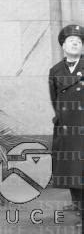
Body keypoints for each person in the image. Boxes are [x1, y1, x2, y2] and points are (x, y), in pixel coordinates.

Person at [49, 24, 84, 229]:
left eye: (79, 42)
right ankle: (79, 206)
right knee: (72, 171)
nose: (75, 43)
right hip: (67, 128)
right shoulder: (55, 71)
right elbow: (55, 100)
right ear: (63, 45)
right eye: (71, 41)